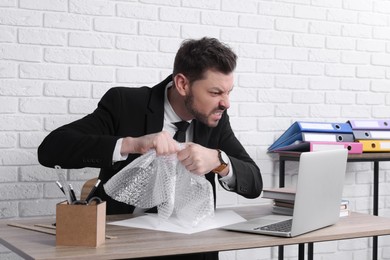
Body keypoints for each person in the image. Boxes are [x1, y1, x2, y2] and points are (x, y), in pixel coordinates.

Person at [38, 37, 263, 260]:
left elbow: (254, 183)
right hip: (125, 245)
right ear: (182, 84)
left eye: (228, 92)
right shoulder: (125, 104)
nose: (226, 103)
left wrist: (218, 160)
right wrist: (132, 144)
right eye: (215, 93)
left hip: (191, 247)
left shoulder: (215, 117)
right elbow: (51, 149)